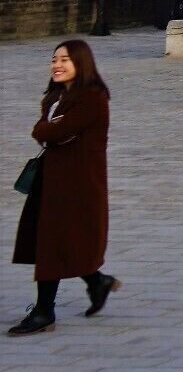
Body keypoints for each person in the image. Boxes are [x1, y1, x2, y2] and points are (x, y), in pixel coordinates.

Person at [10, 41, 116, 336]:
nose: (57, 65)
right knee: (57, 240)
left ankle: (44, 311)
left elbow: (56, 132)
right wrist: (47, 131)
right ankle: (97, 282)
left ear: (81, 63)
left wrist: (46, 130)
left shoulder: (92, 97)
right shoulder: (56, 96)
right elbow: (48, 132)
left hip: (77, 183)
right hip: (52, 179)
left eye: (65, 59)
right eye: (54, 59)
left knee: (56, 241)